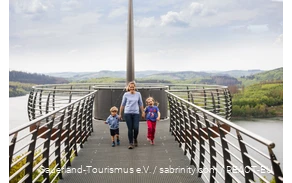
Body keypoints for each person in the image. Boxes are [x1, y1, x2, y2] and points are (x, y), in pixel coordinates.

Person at [119, 81, 145, 149]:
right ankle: (131, 143)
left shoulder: (138, 94)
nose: (132, 88)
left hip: (136, 113)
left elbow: (141, 104)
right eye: (130, 87)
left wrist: (143, 112)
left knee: (136, 128)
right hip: (127, 113)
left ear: (135, 87)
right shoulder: (126, 94)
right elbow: (122, 104)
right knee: (130, 129)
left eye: (133, 87)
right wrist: (120, 114)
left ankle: (135, 138)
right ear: (129, 87)